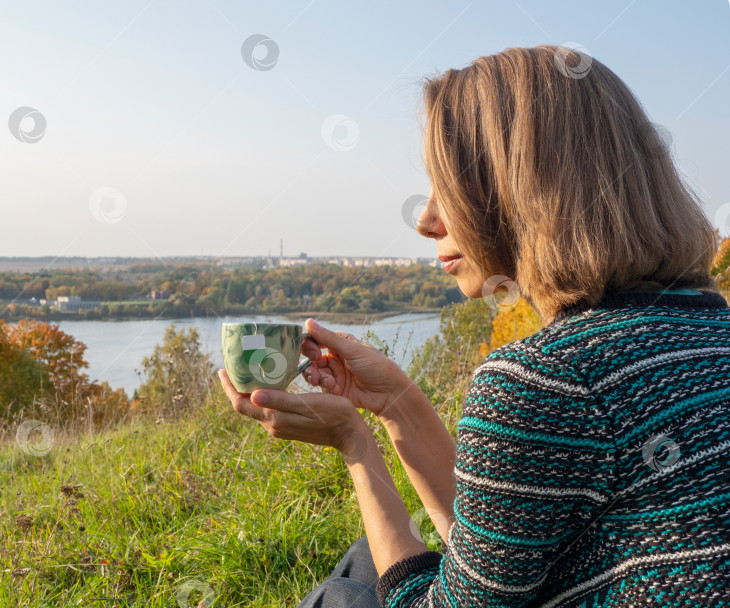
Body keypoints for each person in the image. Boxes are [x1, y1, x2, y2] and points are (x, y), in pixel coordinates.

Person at [218, 44, 730, 607]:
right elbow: (493, 557)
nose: (425, 219)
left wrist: (354, 442)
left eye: (448, 186)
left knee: (347, 595)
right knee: (370, 556)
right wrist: (395, 403)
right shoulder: (709, 332)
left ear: (527, 187)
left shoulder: (549, 378)